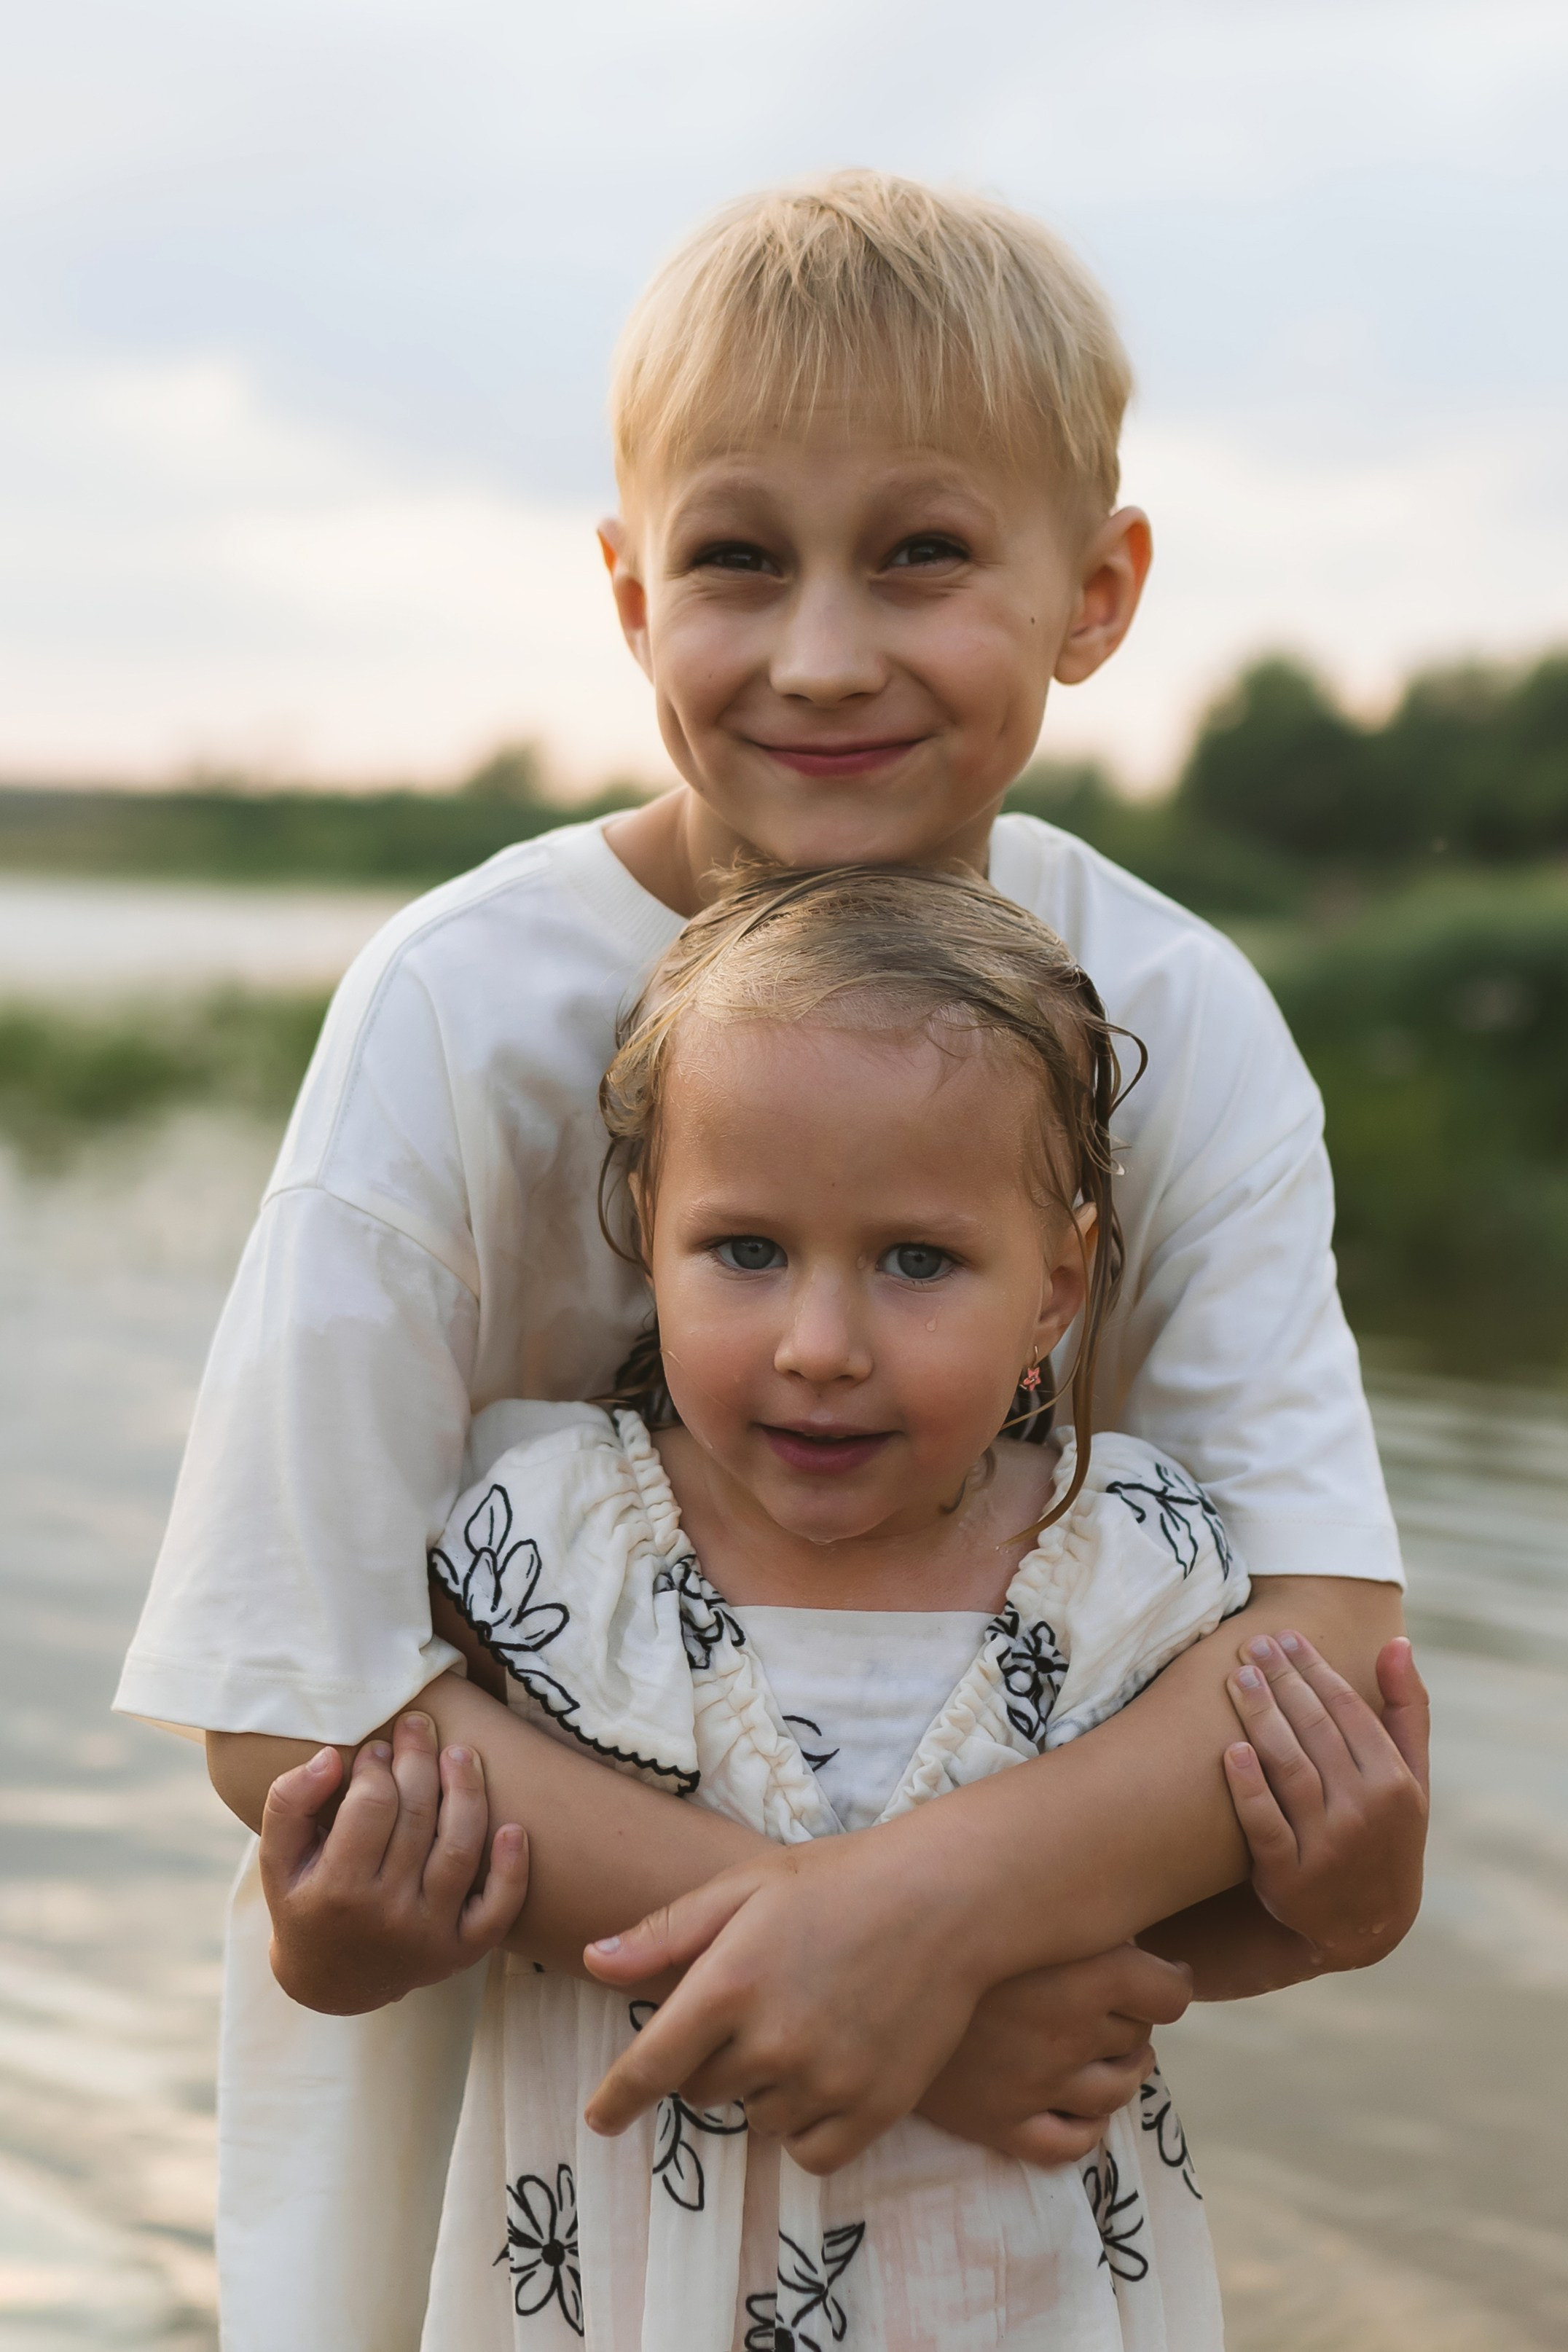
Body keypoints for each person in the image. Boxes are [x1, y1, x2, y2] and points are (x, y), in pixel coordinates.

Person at [114, 173, 1426, 2348]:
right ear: (631, 597)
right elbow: (292, 1685)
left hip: (1000, 2228)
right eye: (738, 557)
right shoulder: (456, 1010)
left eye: (921, 552)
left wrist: (916, 1934)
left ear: (1094, 592)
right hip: (541, 2176)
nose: (823, 649)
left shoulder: (1178, 1019)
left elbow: (1313, 1648)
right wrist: (854, 1960)